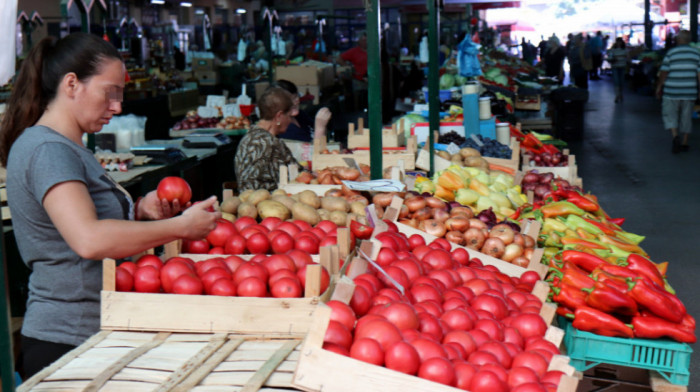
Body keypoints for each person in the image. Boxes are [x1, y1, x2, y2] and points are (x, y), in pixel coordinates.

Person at [0, 33, 220, 379]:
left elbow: (78, 221)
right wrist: (180, 227)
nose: (117, 107)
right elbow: (88, 239)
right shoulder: (48, 150)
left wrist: (137, 211)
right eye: (110, 93)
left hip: (94, 328)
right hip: (70, 340)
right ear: (72, 84)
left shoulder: (66, 146)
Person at [234, 87, 301, 191]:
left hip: (248, 202)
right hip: (268, 203)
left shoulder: (247, 138)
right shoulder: (270, 143)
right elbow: (296, 176)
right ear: (279, 116)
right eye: (288, 116)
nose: (290, 121)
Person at [656, 30, 700, 153]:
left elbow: (664, 72)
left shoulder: (671, 53)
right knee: (686, 116)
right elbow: (699, 73)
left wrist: (659, 86)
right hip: (689, 90)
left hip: (671, 90)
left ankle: (675, 136)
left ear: (679, 39)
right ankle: (685, 142)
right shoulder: (696, 54)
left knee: (670, 114)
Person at [607, 37, 628, 103]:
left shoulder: (624, 50)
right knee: (616, 82)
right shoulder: (613, 50)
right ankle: (617, 95)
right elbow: (610, 57)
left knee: (621, 82)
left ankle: (620, 94)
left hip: (622, 66)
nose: (619, 43)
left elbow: (627, 57)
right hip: (615, 67)